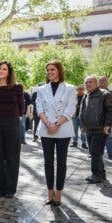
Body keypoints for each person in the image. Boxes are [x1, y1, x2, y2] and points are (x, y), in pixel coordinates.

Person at [36, 60, 76, 207]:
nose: (49, 72)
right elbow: (39, 108)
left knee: (61, 163)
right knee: (48, 163)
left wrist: (57, 124)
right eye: (47, 70)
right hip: (46, 129)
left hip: (63, 129)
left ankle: (59, 193)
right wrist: (48, 124)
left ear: (59, 70)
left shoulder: (70, 88)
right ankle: (49, 193)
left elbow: (71, 108)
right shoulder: (41, 89)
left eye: (52, 69)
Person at [0, 61, 24, 199]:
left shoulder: (17, 87)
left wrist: (15, 121)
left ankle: (10, 188)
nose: (1, 71)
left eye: (4, 69)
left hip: (12, 123)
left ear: (9, 72)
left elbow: (21, 108)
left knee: (12, 156)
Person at [80, 76, 112, 183]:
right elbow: (83, 110)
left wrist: (107, 125)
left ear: (96, 83)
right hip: (89, 129)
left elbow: (110, 110)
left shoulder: (104, 94)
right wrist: (83, 125)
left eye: (91, 82)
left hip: (100, 129)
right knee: (95, 152)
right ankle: (101, 173)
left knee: (95, 152)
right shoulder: (86, 95)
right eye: (86, 82)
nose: (88, 84)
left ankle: (96, 175)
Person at [98, 76, 112, 160]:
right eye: (100, 80)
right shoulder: (93, 93)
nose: (102, 82)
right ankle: (95, 153)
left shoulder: (110, 93)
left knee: (109, 137)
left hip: (108, 120)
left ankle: (110, 153)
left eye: (104, 80)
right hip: (96, 120)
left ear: (107, 82)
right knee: (95, 137)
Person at [70, 85, 87, 149]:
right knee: (74, 130)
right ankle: (75, 142)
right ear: (77, 90)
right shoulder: (74, 97)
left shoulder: (86, 96)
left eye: (82, 89)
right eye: (79, 89)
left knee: (83, 130)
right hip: (75, 116)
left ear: (84, 90)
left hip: (83, 117)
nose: (80, 90)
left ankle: (84, 143)